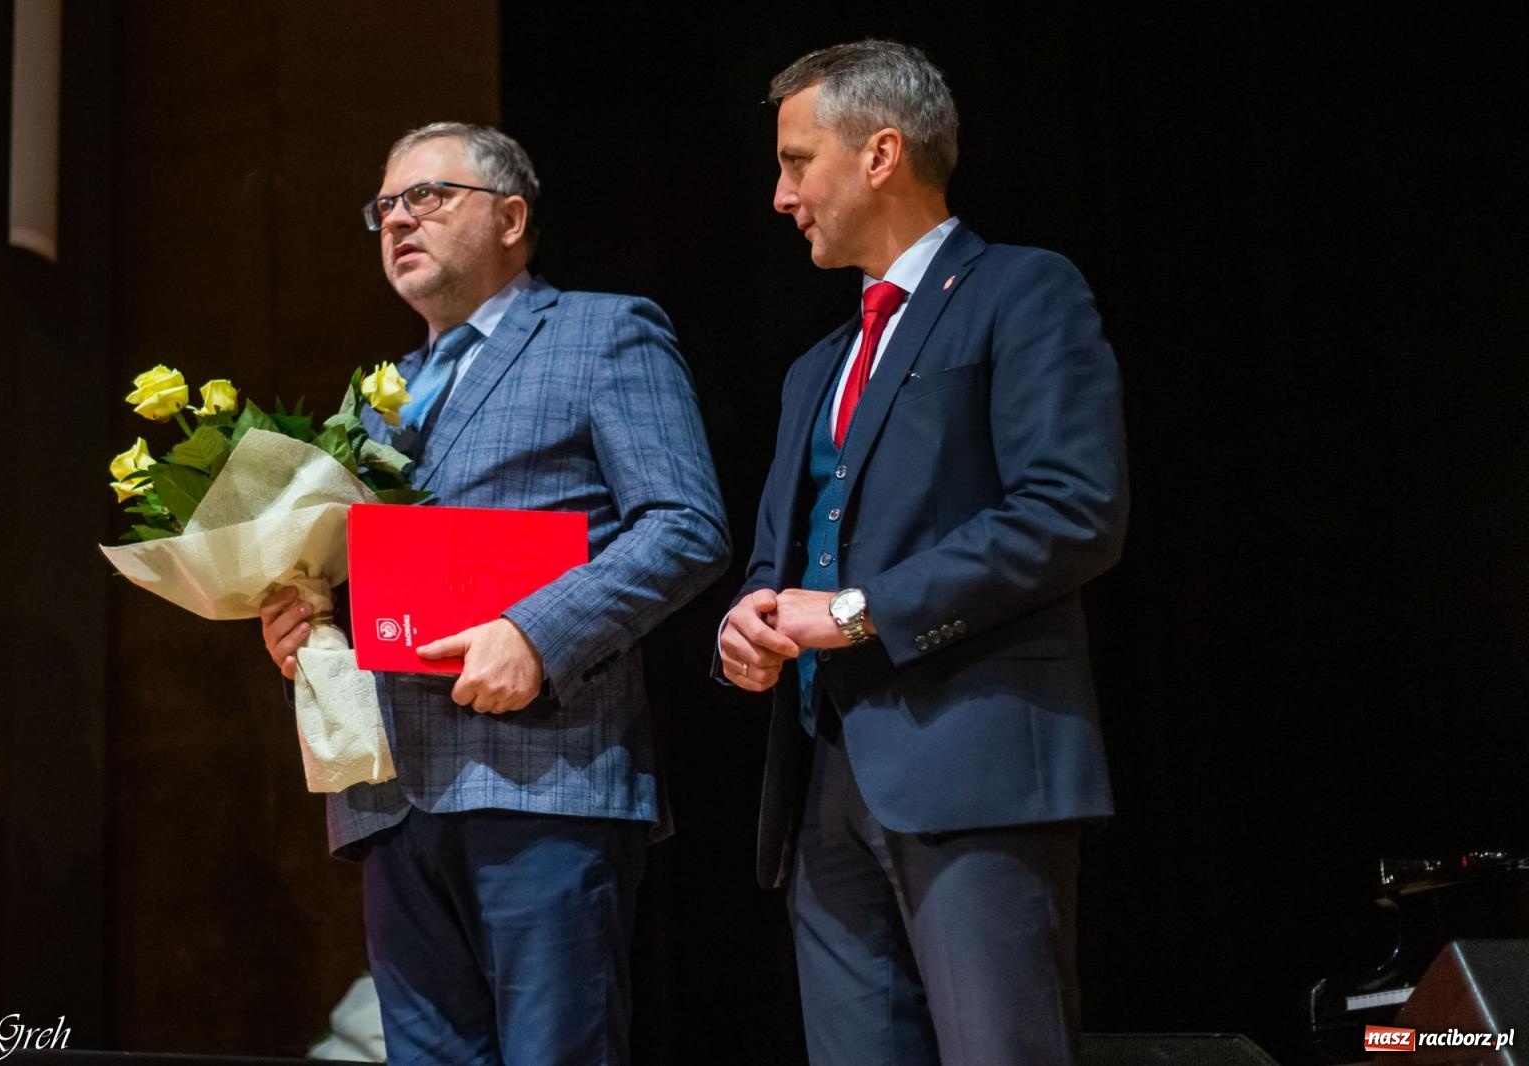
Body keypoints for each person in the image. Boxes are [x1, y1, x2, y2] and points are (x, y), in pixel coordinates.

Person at [262, 122, 730, 1065]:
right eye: (384, 207)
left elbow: (686, 525)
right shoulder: (377, 396)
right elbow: (367, 575)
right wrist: (306, 629)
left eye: (428, 197)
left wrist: (536, 632)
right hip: (393, 792)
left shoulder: (603, 331)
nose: (399, 220)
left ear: (512, 217)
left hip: (543, 779)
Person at [716, 41, 1129, 1066]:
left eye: (796, 161)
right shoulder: (817, 363)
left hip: (970, 766)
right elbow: (781, 554)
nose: (781, 194)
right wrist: (753, 616)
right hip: (823, 780)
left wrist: (856, 612)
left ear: (880, 154)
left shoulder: (1022, 291)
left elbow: (1071, 510)